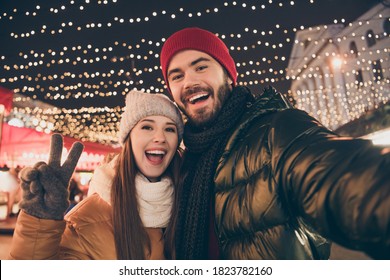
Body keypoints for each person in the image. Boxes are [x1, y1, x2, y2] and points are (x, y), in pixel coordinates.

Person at [159, 27, 390, 260]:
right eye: (177, 76)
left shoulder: (277, 131)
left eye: (201, 67)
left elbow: (342, 179)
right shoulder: (183, 164)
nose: (189, 82)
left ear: (228, 75)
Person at [8, 90, 184, 260]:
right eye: (147, 127)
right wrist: (40, 226)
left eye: (170, 129)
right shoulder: (86, 219)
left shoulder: (188, 200)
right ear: (128, 139)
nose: (160, 137)